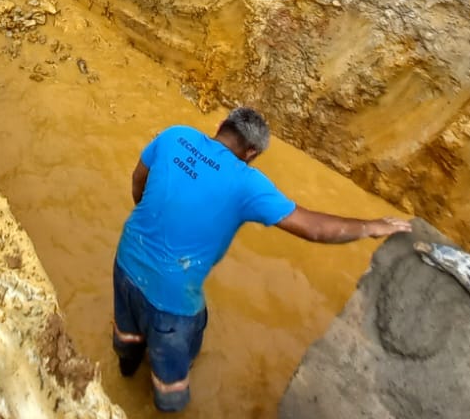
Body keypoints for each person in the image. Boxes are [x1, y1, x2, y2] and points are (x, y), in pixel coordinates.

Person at [112, 107, 411, 412]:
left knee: (128, 329)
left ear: (221, 126)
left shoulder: (176, 135)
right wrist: (370, 227)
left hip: (125, 256)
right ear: (252, 152)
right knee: (172, 376)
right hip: (170, 297)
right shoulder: (247, 183)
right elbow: (314, 228)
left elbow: (138, 179)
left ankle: (126, 367)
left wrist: (153, 228)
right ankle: (165, 405)